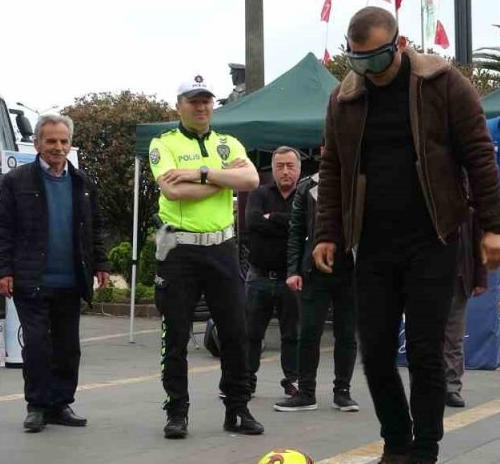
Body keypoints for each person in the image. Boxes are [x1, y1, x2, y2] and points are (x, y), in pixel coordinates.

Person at [315, 7, 500, 464]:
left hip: (433, 240)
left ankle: (425, 459)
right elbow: (332, 166)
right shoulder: (345, 98)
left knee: (425, 354)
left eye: (376, 57)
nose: (366, 69)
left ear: (399, 45)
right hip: (372, 244)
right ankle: (396, 447)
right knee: (374, 352)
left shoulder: (443, 83)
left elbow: (479, 155)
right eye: (355, 60)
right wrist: (328, 233)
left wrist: (492, 228)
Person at [149, 74, 262, 439]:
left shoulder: (228, 143)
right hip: (178, 249)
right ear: (179, 105)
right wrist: (222, 180)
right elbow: (174, 191)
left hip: (221, 247)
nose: (201, 107)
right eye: (193, 100)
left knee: (235, 331)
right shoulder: (162, 144)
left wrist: (201, 172)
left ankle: (238, 409)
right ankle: (176, 411)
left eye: (206, 100)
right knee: (177, 332)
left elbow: (252, 181)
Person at [0, 113, 110, 433]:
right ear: (37, 143)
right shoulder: (17, 181)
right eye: (51, 141)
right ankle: (37, 406)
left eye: (64, 141)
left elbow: (95, 228)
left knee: (69, 347)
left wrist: (101, 263)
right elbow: (1, 229)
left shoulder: (83, 182)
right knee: (38, 346)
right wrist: (2, 270)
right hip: (33, 280)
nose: (58, 147)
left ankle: (61, 404)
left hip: (71, 280)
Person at [277, 149, 359, 412]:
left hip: (352, 269)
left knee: (346, 333)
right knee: (309, 332)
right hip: (314, 270)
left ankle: (343, 391)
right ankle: (306, 392)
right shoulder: (307, 187)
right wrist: (293, 270)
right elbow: (296, 231)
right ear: (323, 152)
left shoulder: (360, 181)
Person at [245, 147, 302, 398]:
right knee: (251, 333)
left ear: (299, 169)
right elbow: (252, 223)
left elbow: (307, 225)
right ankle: (246, 380)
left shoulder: (305, 195)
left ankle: (293, 380)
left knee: (292, 334)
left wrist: (273, 218)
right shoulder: (258, 194)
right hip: (259, 276)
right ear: (272, 169)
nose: (285, 171)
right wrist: (288, 222)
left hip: (292, 278)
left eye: (290, 165)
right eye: (280, 166)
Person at [443, 210, 489, 408]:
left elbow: (478, 242)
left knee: (454, 338)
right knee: (426, 337)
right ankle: (428, 386)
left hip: (459, 279)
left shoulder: (469, 207)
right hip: (426, 278)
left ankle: (451, 388)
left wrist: (480, 278)